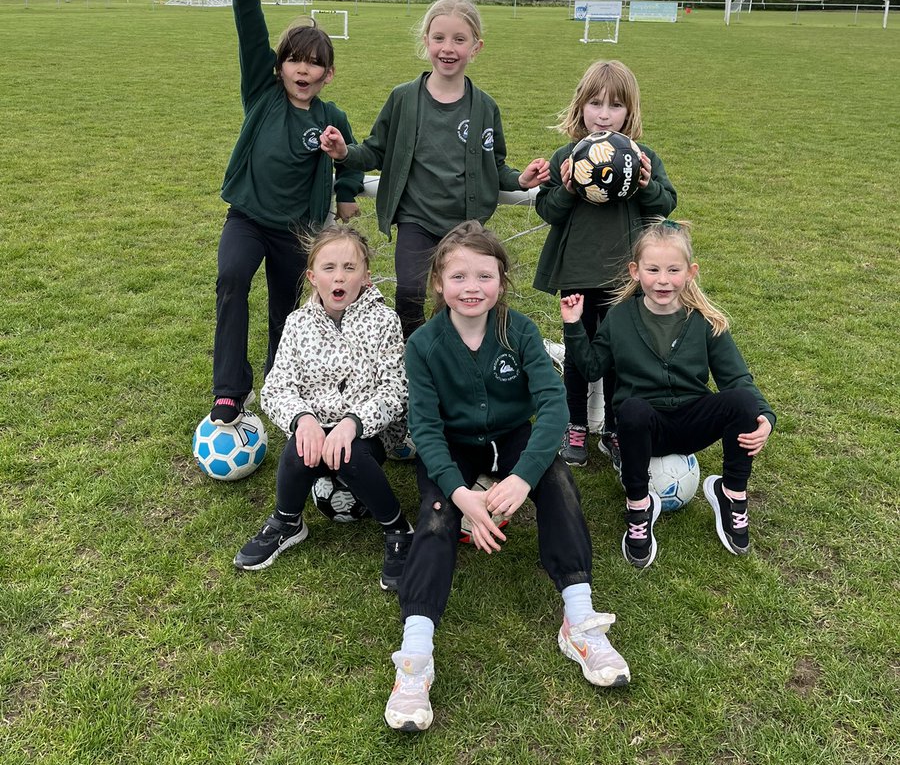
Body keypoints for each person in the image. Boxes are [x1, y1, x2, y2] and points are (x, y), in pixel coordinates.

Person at [383, 221, 629, 734]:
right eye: (459, 277)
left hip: (514, 438)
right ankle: (415, 655)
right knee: (434, 518)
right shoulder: (424, 343)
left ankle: (579, 620)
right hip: (452, 447)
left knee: (558, 483)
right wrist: (459, 497)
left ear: (502, 280)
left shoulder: (516, 331)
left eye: (485, 276)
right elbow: (424, 429)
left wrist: (521, 478)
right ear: (437, 283)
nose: (472, 288)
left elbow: (554, 407)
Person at [319, 0, 549, 340]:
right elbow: (374, 150)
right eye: (439, 37)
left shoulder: (484, 107)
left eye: (460, 39)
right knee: (409, 292)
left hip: (464, 225)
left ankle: (451, 363)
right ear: (426, 40)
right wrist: (343, 153)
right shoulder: (404, 98)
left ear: (476, 47)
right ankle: (410, 361)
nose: (448, 47)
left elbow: (495, 165)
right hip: (416, 221)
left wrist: (521, 179)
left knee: (457, 300)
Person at [209, 0, 363, 427]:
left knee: (287, 309)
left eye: (315, 64)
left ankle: (279, 381)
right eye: (295, 60)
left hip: (297, 231)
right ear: (280, 66)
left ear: (327, 75)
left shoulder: (331, 115)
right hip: (248, 218)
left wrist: (345, 195)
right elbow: (250, 37)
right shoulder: (263, 94)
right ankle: (230, 389)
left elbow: (351, 159)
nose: (303, 69)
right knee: (231, 279)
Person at [561, 218, 775, 570]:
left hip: (691, 421)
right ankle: (639, 507)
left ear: (690, 272)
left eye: (673, 270)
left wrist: (765, 416)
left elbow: (736, 378)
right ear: (635, 271)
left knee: (742, 403)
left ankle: (732, 494)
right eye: (653, 269)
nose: (663, 280)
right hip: (646, 428)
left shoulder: (705, 321)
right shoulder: (619, 318)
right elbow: (591, 368)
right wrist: (573, 325)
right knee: (629, 410)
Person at [233, 225, 414, 591]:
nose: (340, 276)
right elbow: (278, 386)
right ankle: (287, 522)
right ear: (313, 277)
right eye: (329, 268)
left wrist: (353, 423)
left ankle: (397, 528)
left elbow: (397, 389)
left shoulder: (385, 322)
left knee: (347, 454)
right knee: (298, 449)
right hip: (315, 424)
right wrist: (303, 420)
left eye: (350, 267)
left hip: (370, 431)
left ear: (365, 276)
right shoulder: (298, 324)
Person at [534, 60, 676, 467]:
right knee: (580, 353)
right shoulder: (567, 155)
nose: (603, 114)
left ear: (629, 113)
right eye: (595, 103)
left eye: (615, 106)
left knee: (619, 353)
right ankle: (575, 423)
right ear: (581, 107)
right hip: (577, 272)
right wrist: (566, 187)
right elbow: (548, 210)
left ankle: (613, 428)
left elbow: (667, 205)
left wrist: (647, 186)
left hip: (625, 276)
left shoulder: (640, 157)